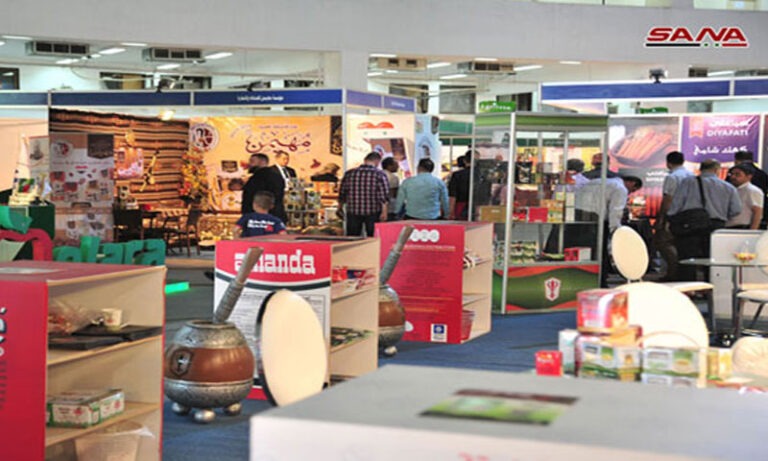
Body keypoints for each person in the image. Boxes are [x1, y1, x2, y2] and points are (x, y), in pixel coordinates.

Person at [668, 159, 741, 281]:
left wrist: (671, 219)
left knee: (687, 260)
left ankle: (689, 287)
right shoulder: (728, 187)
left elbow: (676, 204)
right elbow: (736, 210)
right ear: (717, 170)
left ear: (701, 169)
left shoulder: (688, 182)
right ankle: (711, 286)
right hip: (716, 226)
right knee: (712, 260)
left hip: (689, 225)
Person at [653, 151, 694, 281]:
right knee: (683, 246)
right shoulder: (692, 175)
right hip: (690, 215)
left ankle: (672, 273)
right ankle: (682, 273)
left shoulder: (672, 177)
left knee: (664, 243)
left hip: (674, 215)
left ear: (668, 163)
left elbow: (668, 199)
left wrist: (661, 219)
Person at [338, 152, 390, 237]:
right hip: (372, 211)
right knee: (372, 237)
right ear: (377, 161)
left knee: (352, 237)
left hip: (353, 210)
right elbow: (383, 195)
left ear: (365, 160)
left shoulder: (349, 173)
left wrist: (339, 207)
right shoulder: (380, 174)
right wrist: (384, 212)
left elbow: (342, 192)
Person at [242, 153, 286, 221]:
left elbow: (251, 195)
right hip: (275, 215)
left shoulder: (259, 177)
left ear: (262, 162)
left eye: (252, 161)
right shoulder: (276, 175)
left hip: (259, 217)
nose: (250, 164)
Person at [733, 150, 768, 228]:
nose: (733, 177)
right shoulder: (762, 174)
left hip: (741, 219)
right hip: (763, 215)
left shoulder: (735, 174)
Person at [726, 164, 763, 230]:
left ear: (749, 176)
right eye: (731, 174)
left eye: (737, 175)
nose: (733, 177)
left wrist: (752, 232)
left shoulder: (752, 190)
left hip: (743, 227)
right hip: (728, 227)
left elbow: (757, 212)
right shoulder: (731, 189)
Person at [448, 151, 471, 220]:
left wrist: (451, 212)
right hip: (479, 208)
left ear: (465, 161)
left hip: (460, 207)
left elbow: (452, 194)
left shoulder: (457, 175)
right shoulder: (481, 175)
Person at [381, 157, 400, 221]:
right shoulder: (393, 177)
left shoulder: (378, 174)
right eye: (396, 164)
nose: (398, 166)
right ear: (389, 166)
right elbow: (394, 194)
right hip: (390, 208)